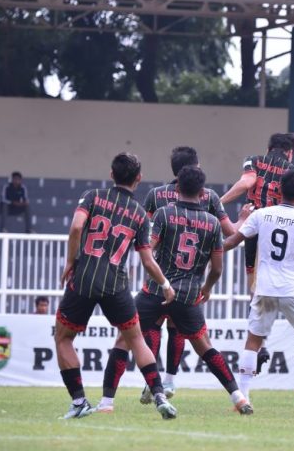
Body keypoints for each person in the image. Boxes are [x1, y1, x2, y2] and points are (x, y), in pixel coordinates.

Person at [99, 166, 253, 415]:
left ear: (177, 188)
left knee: (124, 340)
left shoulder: (163, 214)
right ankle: (239, 398)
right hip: (189, 294)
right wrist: (207, 288)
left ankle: (107, 403)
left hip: (155, 291)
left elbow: (147, 249)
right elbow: (216, 268)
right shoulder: (212, 223)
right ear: (203, 192)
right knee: (205, 347)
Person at [54, 152, 178, 420]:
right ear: (139, 178)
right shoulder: (140, 215)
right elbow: (147, 259)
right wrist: (165, 283)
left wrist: (69, 262)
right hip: (116, 284)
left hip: (84, 278)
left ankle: (79, 402)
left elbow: (76, 228)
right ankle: (158, 395)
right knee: (136, 340)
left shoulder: (93, 196)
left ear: (112, 174)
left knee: (63, 338)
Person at [139, 146, 251, 400]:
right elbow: (230, 233)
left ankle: (151, 381)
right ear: (195, 168)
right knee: (182, 330)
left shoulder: (156, 196)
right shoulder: (209, 197)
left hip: (160, 277)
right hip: (190, 284)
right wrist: (244, 219)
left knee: (148, 327)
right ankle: (169, 382)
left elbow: (145, 235)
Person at [223, 170, 294, 412]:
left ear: (278, 190)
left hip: (264, 287)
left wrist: (211, 253)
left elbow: (233, 241)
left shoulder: (262, 215)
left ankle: (243, 398)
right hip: (291, 288)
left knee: (253, 341)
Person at [220, 132, 294, 372]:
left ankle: (260, 344)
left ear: (269, 148)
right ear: (290, 151)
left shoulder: (253, 161)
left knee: (254, 290)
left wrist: (218, 202)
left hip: (256, 229)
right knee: (292, 284)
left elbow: (247, 183)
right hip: (283, 229)